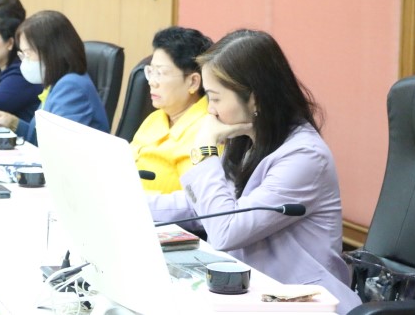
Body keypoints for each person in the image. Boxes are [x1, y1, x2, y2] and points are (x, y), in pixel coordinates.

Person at [148, 30, 361, 314]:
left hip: (300, 302)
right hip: (252, 293)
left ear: (255, 99)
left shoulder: (304, 156)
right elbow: (203, 206)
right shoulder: (247, 139)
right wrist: (128, 202)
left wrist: (205, 151)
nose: (210, 111)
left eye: (215, 98)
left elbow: (225, 230)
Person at [0, 10, 109, 145]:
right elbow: (42, 138)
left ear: (50, 52)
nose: (24, 61)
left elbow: (56, 147)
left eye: (28, 54)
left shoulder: (71, 87)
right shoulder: (55, 84)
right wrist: (13, 123)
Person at [131, 27, 213, 194]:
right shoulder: (155, 118)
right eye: (151, 71)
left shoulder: (207, 131)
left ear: (193, 82)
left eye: (161, 73)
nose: (152, 82)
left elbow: (195, 199)